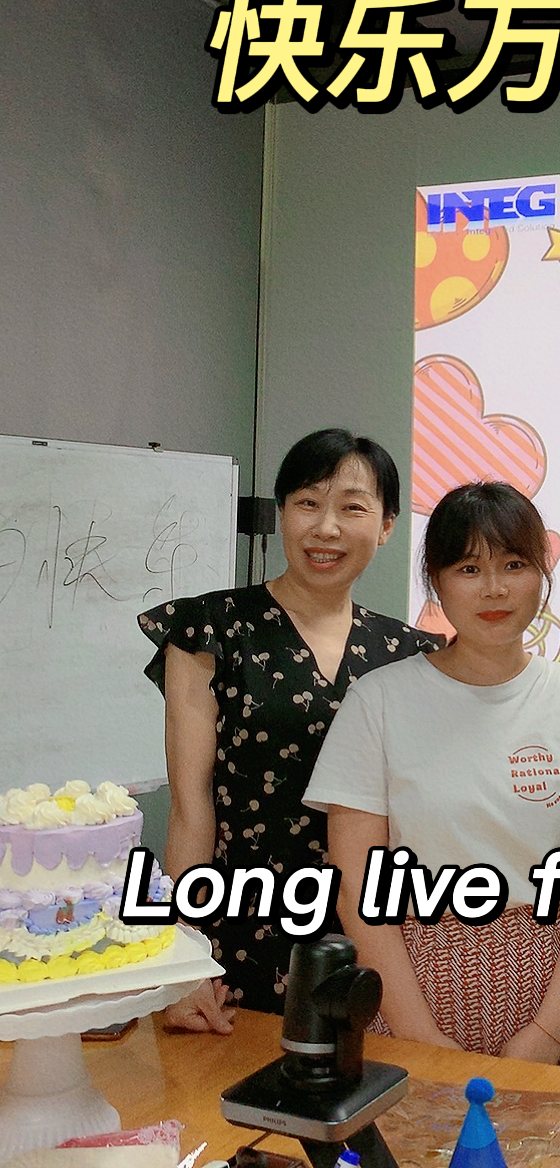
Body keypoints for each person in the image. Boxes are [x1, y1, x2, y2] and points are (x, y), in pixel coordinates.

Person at [304, 482, 560, 1069]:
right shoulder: (378, 700)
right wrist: (418, 1035)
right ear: (435, 581)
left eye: (514, 565)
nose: (494, 588)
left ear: (542, 574)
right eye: (468, 568)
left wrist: (551, 1027)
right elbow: (357, 888)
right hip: (411, 978)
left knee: (558, 1130)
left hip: (551, 982)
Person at [139, 428, 441, 1031]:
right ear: (281, 513)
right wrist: (183, 960)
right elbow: (191, 809)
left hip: (379, 933)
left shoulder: (411, 653)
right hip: (242, 926)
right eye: (307, 503)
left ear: (387, 525)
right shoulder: (212, 630)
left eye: (352, 508)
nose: (326, 528)